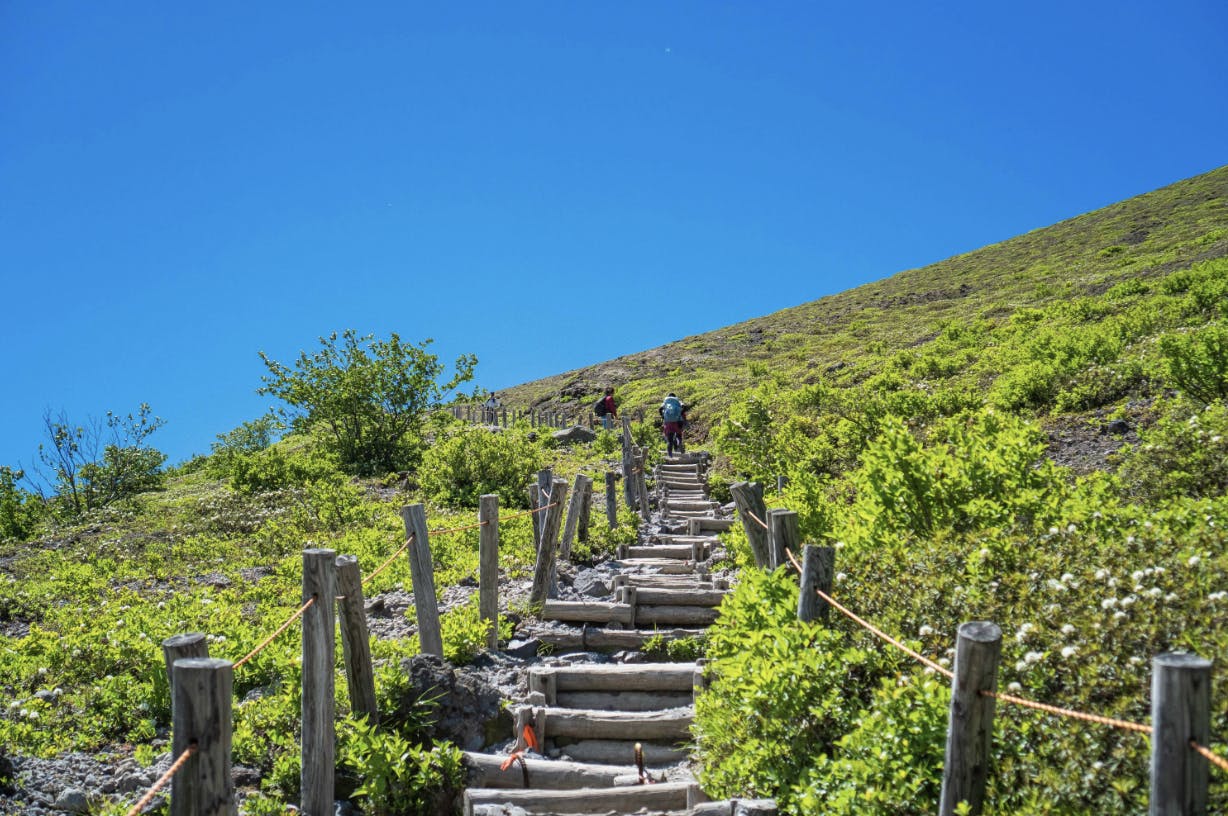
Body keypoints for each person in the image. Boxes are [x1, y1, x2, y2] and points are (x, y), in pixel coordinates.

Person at [659, 392, 687, 456]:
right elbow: (684, 407)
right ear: (675, 396)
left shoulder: (665, 402)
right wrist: (680, 413)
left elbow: (660, 409)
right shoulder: (678, 401)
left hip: (668, 422)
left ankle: (670, 456)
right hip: (678, 421)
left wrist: (663, 416)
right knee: (679, 435)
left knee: (670, 440)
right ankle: (679, 442)